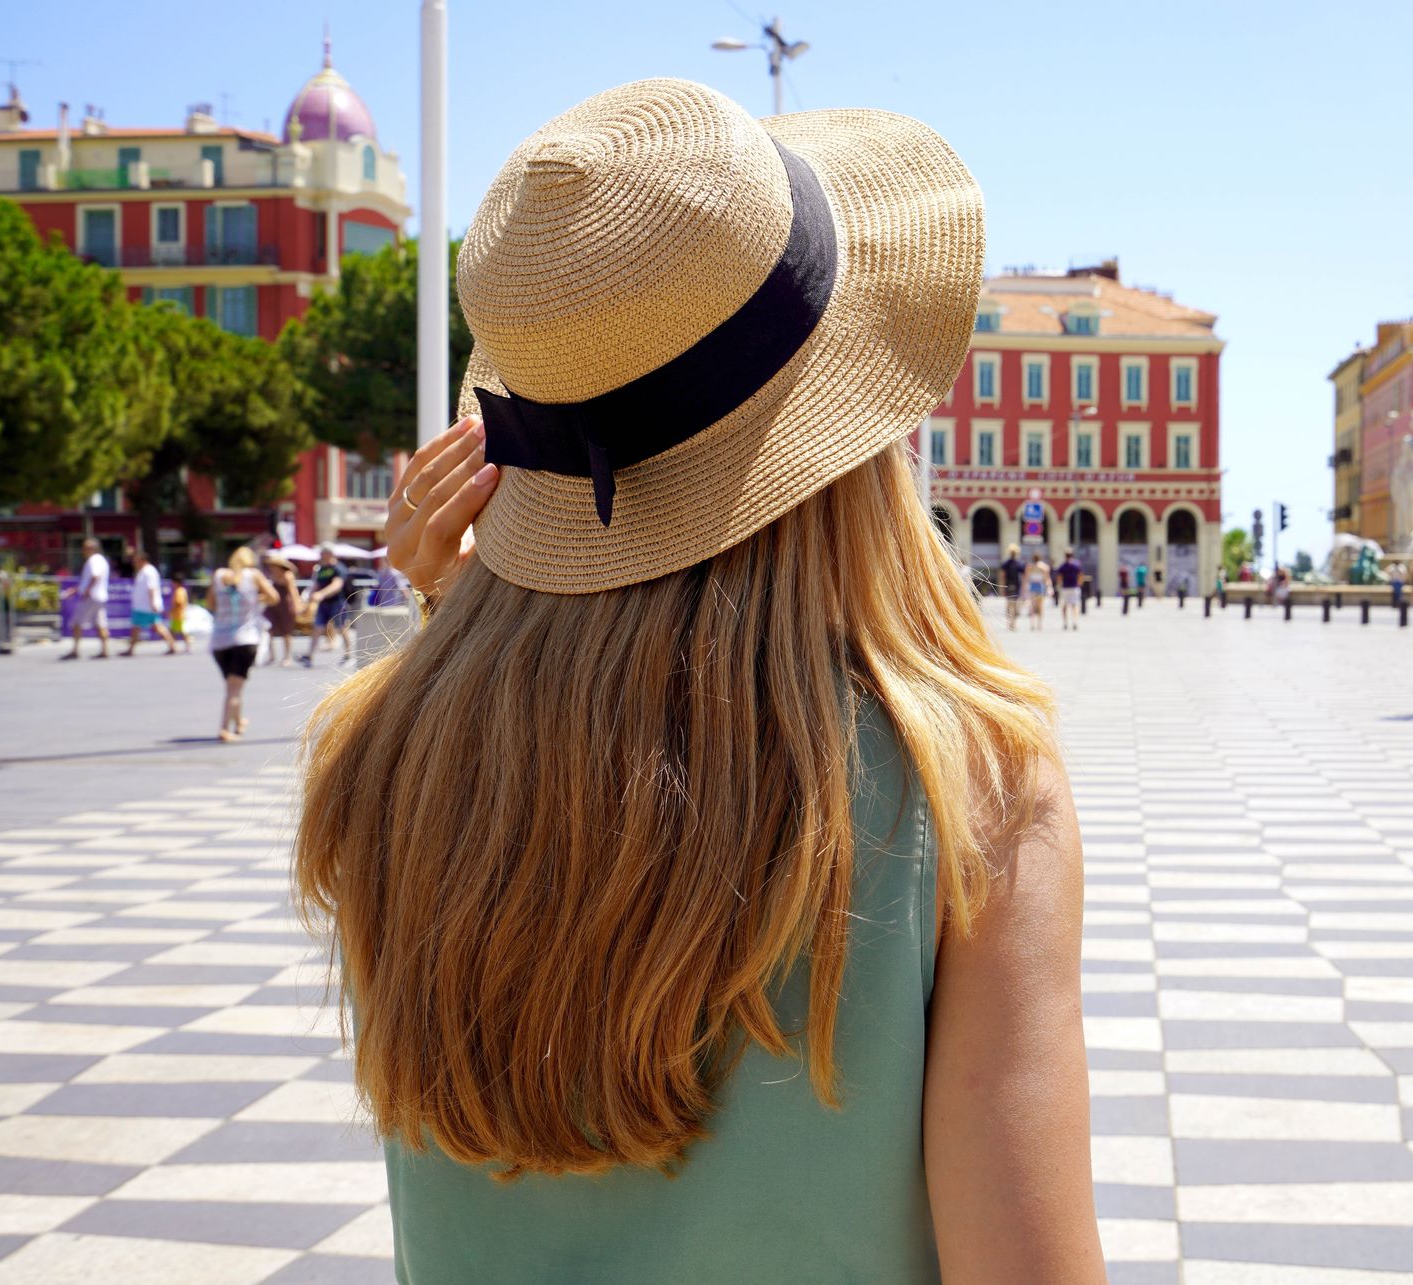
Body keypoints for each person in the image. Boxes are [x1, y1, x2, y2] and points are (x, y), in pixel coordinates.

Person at [296, 81, 1103, 1285]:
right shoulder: (967, 785)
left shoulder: (384, 755)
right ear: (856, 433)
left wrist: (450, 615)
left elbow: (565, 739)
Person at [208, 545, 279, 743]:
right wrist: (255, 599)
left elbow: (210, 604)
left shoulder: (218, 575)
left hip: (220, 641)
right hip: (245, 638)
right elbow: (274, 597)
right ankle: (224, 728)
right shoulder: (253, 575)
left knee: (233, 685)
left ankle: (238, 721)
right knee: (234, 688)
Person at [121, 549, 182, 655]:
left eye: (136, 560)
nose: (134, 562)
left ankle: (172, 646)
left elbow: (152, 588)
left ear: (142, 560)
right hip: (141, 606)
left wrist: (153, 602)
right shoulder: (143, 571)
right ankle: (131, 649)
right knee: (137, 627)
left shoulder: (149, 572)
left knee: (156, 626)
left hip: (147, 606)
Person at [63, 537, 112, 660]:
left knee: (77, 623)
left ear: (91, 548)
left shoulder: (93, 560)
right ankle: (105, 650)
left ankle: (75, 650)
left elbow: (95, 576)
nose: (83, 551)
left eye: (85, 548)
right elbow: (89, 579)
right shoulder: (101, 560)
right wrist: (75, 590)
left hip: (91, 597)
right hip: (100, 597)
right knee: (100, 624)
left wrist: (87, 591)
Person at [304, 547, 350, 667]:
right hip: (324, 603)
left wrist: (321, 594)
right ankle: (309, 656)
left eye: (322, 554)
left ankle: (348, 655)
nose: (320, 556)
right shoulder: (322, 569)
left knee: (342, 628)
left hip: (337, 602)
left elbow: (337, 585)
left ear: (329, 554)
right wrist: (311, 594)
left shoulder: (338, 568)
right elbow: (317, 583)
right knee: (318, 627)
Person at [262, 552, 301, 666]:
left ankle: (287, 657)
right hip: (273, 605)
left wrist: (296, 605)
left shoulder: (287, 575)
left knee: (286, 631)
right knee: (268, 628)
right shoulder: (272, 575)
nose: (271, 567)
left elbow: (293, 591)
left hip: (285, 605)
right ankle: (271, 655)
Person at [998, 543, 1025, 631]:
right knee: (1014, 605)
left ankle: (1010, 623)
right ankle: (1012, 623)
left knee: (1010, 605)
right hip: (1015, 585)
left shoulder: (1006, 563)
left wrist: (1001, 588)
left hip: (1009, 585)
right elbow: (1024, 576)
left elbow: (1002, 576)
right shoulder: (1019, 563)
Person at [1056, 551, 1083, 630]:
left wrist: (1059, 585)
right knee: (1074, 605)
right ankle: (1075, 621)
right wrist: (1079, 584)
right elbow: (1080, 575)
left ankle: (1065, 622)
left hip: (1065, 587)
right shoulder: (1076, 564)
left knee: (1064, 606)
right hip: (1074, 587)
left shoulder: (1063, 565)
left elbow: (1059, 577)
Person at [1026, 554, 1050, 631]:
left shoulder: (1030, 566)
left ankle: (1032, 624)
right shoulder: (1044, 566)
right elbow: (1046, 578)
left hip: (1033, 585)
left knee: (1032, 606)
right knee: (1040, 606)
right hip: (1040, 585)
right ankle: (1039, 624)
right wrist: (1049, 587)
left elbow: (1027, 577)